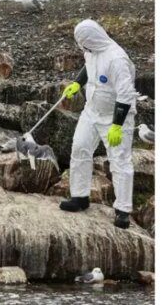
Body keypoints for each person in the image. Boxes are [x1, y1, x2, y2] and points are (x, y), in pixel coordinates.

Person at [59, 19, 136, 229]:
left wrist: (117, 125)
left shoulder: (117, 59)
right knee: (80, 147)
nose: (81, 47)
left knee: (119, 160)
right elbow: (87, 67)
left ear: (92, 37)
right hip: (91, 110)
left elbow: (126, 94)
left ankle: (123, 210)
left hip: (115, 116)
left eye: (83, 42)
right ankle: (80, 197)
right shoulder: (91, 50)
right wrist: (76, 83)